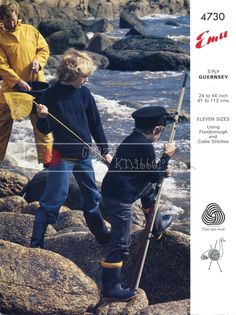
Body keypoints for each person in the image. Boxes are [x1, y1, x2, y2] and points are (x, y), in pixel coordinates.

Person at [30, 48, 113, 249]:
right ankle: (36, 243)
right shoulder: (50, 94)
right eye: (83, 77)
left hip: (84, 154)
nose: (85, 81)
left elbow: (95, 124)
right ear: (71, 74)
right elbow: (45, 129)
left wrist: (105, 151)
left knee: (92, 197)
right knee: (53, 200)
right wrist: (41, 117)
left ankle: (102, 237)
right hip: (61, 155)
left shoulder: (84, 93)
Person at [100, 106, 176, 300]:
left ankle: (156, 226)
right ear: (156, 130)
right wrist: (166, 157)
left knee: (149, 190)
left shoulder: (132, 139)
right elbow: (154, 176)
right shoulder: (145, 146)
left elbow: (149, 174)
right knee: (121, 243)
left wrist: (160, 171)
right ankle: (110, 288)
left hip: (124, 188)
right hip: (119, 199)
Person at [0, 0, 52, 166]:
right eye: (7, 20)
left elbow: (44, 49)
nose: (11, 22)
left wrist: (38, 61)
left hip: (36, 86)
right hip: (12, 89)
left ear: (17, 15)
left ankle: (48, 163)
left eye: (13, 19)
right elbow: (1, 64)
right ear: (1, 19)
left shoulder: (31, 31)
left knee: (43, 125)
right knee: (1, 124)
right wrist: (17, 81)